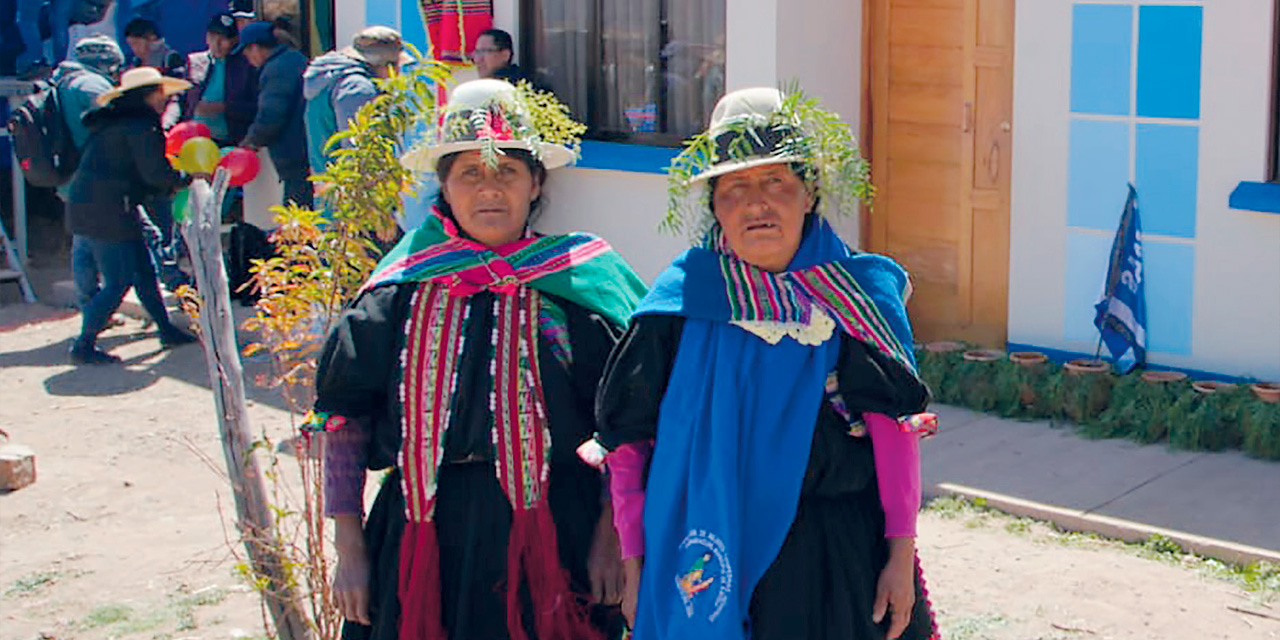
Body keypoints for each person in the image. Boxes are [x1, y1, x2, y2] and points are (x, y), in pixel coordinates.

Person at [591, 87, 942, 640]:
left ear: (809, 194)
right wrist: (636, 566)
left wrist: (900, 555)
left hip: (836, 554)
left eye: (776, 181)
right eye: (735, 187)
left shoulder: (858, 297)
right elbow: (629, 442)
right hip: (704, 539)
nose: (757, 203)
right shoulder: (679, 305)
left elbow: (891, 431)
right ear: (714, 205)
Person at [311, 78, 646, 640]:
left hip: (560, 530)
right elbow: (344, 415)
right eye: (470, 172)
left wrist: (613, 536)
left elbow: (628, 421)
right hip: (423, 536)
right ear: (444, 185)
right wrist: (349, 547)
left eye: (507, 172)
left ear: (535, 182)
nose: (489, 190)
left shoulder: (582, 283)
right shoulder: (400, 289)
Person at [65, 67, 198, 364]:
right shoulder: (141, 126)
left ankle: (165, 328)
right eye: (160, 93)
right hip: (110, 210)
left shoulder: (114, 122)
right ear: (149, 95)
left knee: (143, 271)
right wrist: (188, 176)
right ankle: (84, 343)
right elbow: (155, 174)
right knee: (119, 279)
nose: (165, 99)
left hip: (100, 206)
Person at [50, 35, 124, 309]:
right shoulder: (93, 86)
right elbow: (114, 128)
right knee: (100, 243)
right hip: (94, 175)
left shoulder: (63, 81)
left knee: (82, 241)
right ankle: (98, 307)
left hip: (67, 173)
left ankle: (88, 301)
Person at [303, 26, 409, 176]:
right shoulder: (357, 89)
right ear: (384, 63)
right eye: (396, 65)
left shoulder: (330, 79)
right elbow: (358, 151)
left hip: (328, 182)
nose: (397, 73)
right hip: (353, 189)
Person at [237, 20, 312, 209]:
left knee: (298, 220)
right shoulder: (293, 59)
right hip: (307, 151)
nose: (247, 59)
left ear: (255, 48)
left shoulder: (276, 69)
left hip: (296, 156)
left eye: (246, 52)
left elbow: (271, 116)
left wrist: (251, 141)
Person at [185, 12, 258, 147]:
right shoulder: (194, 62)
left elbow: (256, 108)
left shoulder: (246, 66)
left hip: (230, 142)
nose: (217, 44)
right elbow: (180, 99)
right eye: (213, 37)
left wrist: (224, 107)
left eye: (223, 39)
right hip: (194, 141)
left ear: (234, 40)